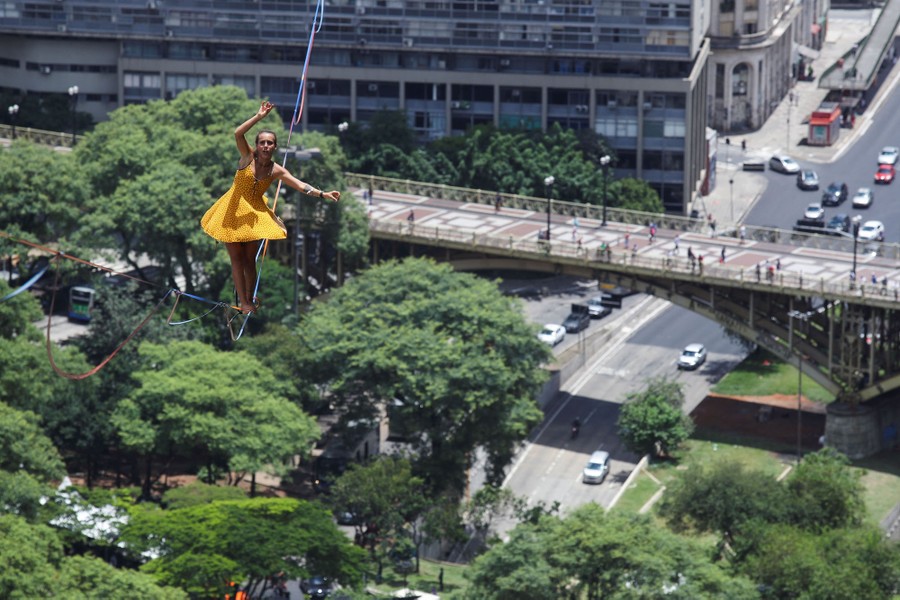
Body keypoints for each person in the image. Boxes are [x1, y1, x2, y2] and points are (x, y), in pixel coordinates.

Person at [201, 101, 340, 313]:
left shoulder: (276, 170)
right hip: (232, 210)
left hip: (253, 213)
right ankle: (244, 302)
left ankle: (250, 297)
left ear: (275, 147)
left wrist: (323, 194)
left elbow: (300, 185)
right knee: (237, 259)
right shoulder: (248, 157)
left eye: (270, 143)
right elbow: (238, 134)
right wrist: (258, 117)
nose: (266, 146)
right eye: (262, 143)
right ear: (257, 146)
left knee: (249, 260)